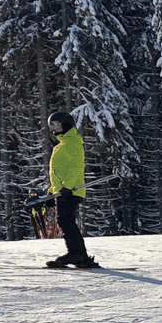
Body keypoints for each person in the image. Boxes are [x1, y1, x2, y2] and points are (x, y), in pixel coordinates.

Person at [45, 111, 97, 269]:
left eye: (56, 125)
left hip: (71, 190)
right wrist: (52, 191)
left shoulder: (73, 142)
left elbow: (76, 168)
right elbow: (59, 172)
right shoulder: (63, 144)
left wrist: (67, 187)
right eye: (51, 125)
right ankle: (80, 255)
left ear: (66, 124)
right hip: (64, 190)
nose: (54, 128)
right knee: (66, 221)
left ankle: (76, 253)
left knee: (66, 221)